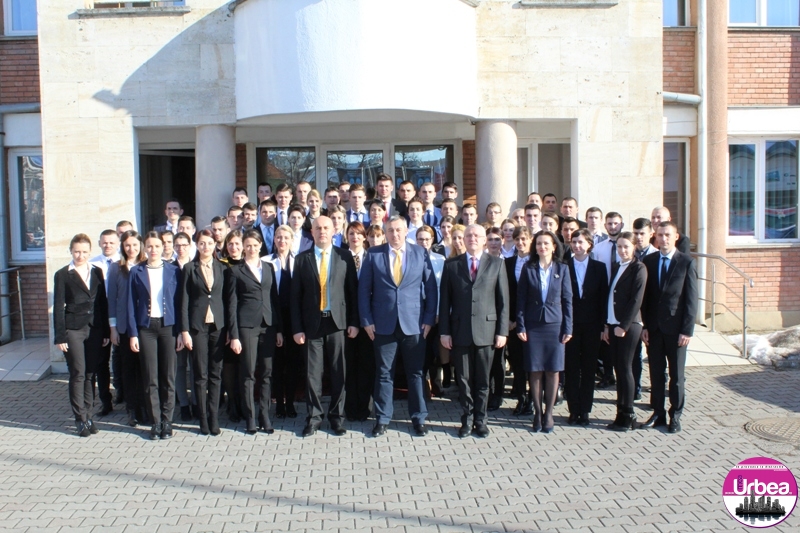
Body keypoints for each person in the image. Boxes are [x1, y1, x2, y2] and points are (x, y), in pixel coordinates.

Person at [358, 216, 438, 438]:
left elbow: (431, 288)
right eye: (390, 230)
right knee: (384, 373)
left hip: (415, 324)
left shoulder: (420, 253)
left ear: (406, 231)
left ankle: (419, 418)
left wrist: (429, 319)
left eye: (398, 230)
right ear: (385, 232)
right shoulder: (373, 254)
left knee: (416, 373)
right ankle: (382, 419)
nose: (395, 234)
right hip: (382, 324)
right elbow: (364, 290)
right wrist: (367, 321)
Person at [292, 216, 359, 437]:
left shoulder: (344, 256)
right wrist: (297, 328)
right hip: (312, 325)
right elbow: (295, 297)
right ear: (312, 232)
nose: (322, 231)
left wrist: (354, 322)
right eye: (318, 228)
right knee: (313, 374)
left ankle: (337, 417)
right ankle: (313, 418)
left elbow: (352, 292)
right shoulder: (301, 259)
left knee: (339, 372)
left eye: (326, 228)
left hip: (338, 323)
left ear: (333, 231)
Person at [440, 225, 509, 438]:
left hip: (487, 331)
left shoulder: (497, 264)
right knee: (463, 379)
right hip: (460, 331)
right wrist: (444, 332)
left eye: (476, 235)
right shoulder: (451, 265)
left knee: (483, 380)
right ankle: (467, 418)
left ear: (484, 239)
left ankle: (481, 419)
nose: (472, 238)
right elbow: (445, 302)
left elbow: (503, 302)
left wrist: (502, 331)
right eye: (468, 235)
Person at [640, 221, 698, 434]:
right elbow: (646, 298)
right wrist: (645, 326)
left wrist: (687, 330)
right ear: (655, 237)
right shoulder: (649, 261)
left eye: (667, 235)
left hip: (676, 331)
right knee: (656, 374)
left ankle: (675, 415)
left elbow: (691, 300)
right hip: (654, 330)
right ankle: (658, 413)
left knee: (676, 377)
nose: (663, 239)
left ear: (676, 237)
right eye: (660, 235)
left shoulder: (686, 262)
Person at [224, 230, 284, 434]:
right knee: (248, 373)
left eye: (255, 245)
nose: (251, 248)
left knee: (267, 372)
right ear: (243, 247)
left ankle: (264, 415)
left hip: (268, 325)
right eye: (247, 245)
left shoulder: (268, 267)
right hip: (247, 326)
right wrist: (234, 335)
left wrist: (279, 329)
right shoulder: (235, 271)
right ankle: (250, 417)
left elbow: (274, 299)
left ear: (260, 246)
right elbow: (232, 305)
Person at [516, 230, 573, 433]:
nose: (542, 247)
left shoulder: (562, 268)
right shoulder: (528, 267)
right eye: (539, 243)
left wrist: (568, 327)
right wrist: (521, 325)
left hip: (555, 326)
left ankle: (549, 412)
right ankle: (537, 413)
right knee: (535, 370)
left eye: (546, 243)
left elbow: (567, 300)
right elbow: (521, 299)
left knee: (553, 369)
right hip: (533, 326)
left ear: (554, 246)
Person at [54, 233, 110, 437]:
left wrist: (105, 330)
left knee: (90, 373)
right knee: (78, 372)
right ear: (71, 251)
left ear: (90, 252)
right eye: (77, 251)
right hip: (73, 329)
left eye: (84, 252)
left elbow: (102, 302)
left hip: (94, 329)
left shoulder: (96, 271)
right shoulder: (63, 274)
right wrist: (60, 336)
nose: (80, 255)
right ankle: (79, 418)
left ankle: (89, 415)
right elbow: (58, 306)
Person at [128, 231, 183, 440]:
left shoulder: (173, 270)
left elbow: (180, 303)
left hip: (168, 327)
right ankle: (156, 421)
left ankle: (167, 421)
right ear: (145, 248)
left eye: (157, 246)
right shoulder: (136, 271)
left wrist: (180, 331)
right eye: (149, 246)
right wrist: (133, 334)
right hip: (146, 328)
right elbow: (131, 304)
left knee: (168, 376)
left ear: (163, 248)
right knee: (151, 377)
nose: (153, 250)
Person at [180, 229, 226, 436]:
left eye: (209, 243)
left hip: (218, 327)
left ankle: (214, 417)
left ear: (215, 245)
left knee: (216, 374)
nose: (205, 247)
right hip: (197, 327)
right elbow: (184, 301)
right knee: (200, 374)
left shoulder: (222, 268)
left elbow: (226, 299)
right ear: (196, 245)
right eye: (202, 243)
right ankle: (203, 419)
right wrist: (184, 330)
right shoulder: (190, 268)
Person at [602, 231, 647, 432]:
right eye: (619, 247)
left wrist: (624, 326)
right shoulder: (617, 266)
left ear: (634, 247)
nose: (622, 250)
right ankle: (620, 412)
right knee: (618, 369)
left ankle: (628, 414)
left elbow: (636, 299)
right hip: (613, 324)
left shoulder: (639, 268)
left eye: (626, 246)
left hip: (628, 326)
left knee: (625, 368)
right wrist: (607, 325)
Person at [564, 229, 608, 426]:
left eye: (581, 242)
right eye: (574, 242)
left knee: (589, 368)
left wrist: (603, 325)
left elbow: (603, 298)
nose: (577, 245)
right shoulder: (564, 266)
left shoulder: (599, 267)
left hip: (592, 325)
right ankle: (573, 409)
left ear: (589, 244)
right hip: (570, 324)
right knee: (572, 368)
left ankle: (585, 410)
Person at [108, 230, 147, 427]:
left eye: (134, 245)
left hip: (145, 325)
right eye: (127, 245)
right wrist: (113, 327)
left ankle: (145, 407)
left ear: (141, 246)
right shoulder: (116, 268)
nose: (131, 249)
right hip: (124, 328)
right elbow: (112, 299)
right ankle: (132, 409)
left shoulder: (147, 265)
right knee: (129, 369)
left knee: (145, 370)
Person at [268, 225, 299, 419]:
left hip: (294, 319)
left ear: (292, 240)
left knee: (293, 362)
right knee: (278, 363)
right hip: (274, 316)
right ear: (274, 240)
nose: (282, 241)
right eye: (279, 237)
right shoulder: (266, 261)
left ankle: (291, 403)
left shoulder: (300, 260)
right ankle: (279, 403)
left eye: (286, 237)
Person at [344, 222, 374, 420]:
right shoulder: (340, 257)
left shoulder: (372, 257)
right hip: (346, 320)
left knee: (366, 365)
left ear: (365, 237)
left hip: (369, 321)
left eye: (358, 234)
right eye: (351, 233)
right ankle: (349, 407)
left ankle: (365, 408)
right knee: (348, 365)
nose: (355, 237)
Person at [89, 229, 120, 416]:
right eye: (105, 242)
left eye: (111, 242)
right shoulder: (92, 265)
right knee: (101, 362)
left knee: (123, 359)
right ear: (99, 243)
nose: (108, 245)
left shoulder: (124, 263)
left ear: (118, 244)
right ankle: (105, 401)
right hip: (101, 317)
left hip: (120, 315)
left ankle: (123, 394)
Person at [505, 226, 533, 416]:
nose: (520, 242)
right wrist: (509, 319)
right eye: (517, 239)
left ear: (530, 239)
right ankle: (521, 397)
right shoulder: (508, 263)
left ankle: (532, 399)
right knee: (517, 362)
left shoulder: (537, 263)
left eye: (524, 239)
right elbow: (504, 293)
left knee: (531, 363)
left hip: (532, 322)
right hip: (512, 322)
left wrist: (525, 320)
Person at [415, 225, 445, 399]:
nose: (424, 242)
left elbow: (441, 288)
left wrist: (438, 311)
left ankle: (436, 383)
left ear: (432, 240)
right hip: (417, 309)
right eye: (420, 239)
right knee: (421, 350)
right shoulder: (410, 258)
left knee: (434, 350)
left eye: (427, 239)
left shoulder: (440, 260)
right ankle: (422, 386)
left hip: (435, 309)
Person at [219, 230, 245, 423]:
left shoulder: (249, 264)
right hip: (226, 321)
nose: (233, 247)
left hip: (244, 322)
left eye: (237, 243)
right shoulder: (221, 266)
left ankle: (243, 403)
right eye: (230, 244)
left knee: (243, 366)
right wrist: (228, 327)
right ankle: (232, 404)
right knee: (229, 366)